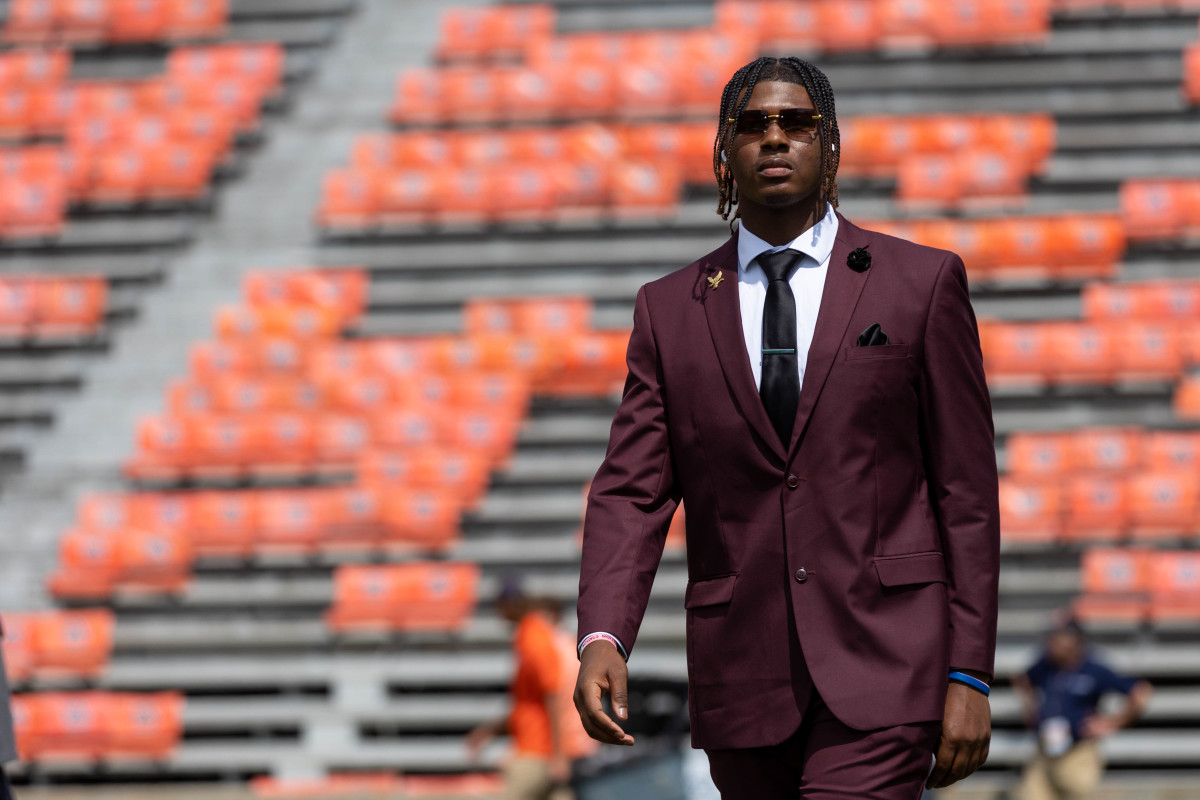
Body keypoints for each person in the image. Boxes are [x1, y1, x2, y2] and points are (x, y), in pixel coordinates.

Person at [573, 55, 1000, 799]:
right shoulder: (669, 310)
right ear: (723, 151)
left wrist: (969, 671)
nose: (775, 138)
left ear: (829, 144)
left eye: (796, 123)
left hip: (887, 666)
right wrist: (604, 635)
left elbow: (966, 492)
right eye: (753, 124)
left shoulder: (920, 284)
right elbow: (631, 493)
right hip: (742, 679)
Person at [467, 579, 588, 800]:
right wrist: (491, 731)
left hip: (539, 752)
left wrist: (560, 754)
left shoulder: (536, 639)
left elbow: (554, 695)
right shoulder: (529, 636)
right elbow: (532, 703)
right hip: (545, 749)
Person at [1012, 614, 1151, 800]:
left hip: (1078, 752)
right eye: (1051, 637)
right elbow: (1021, 679)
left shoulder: (1093, 669)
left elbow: (1140, 692)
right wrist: (1030, 710)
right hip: (1043, 752)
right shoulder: (1045, 665)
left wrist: (1112, 723)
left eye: (1058, 637)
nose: (1052, 643)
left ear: (1075, 640)